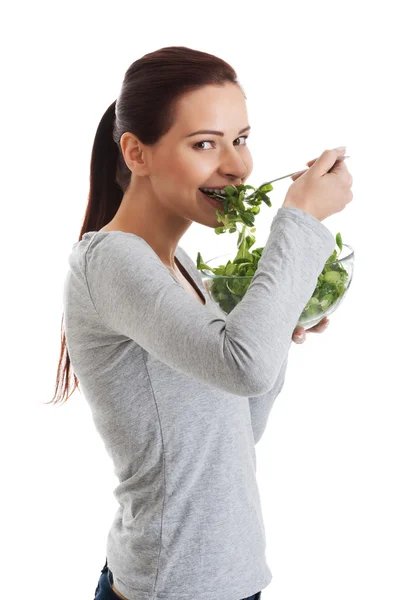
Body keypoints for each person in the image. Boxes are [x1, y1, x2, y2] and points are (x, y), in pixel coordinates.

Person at [52, 46, 352, 600]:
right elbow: (243, 369)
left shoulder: (180, 268)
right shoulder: (113, 260)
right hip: (174, 585)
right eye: (205, 144)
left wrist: (274, 323)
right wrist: (301, 219)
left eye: (240, 139)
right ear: (136, 154)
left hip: (224, 579)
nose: (237, 166)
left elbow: (234, 434)